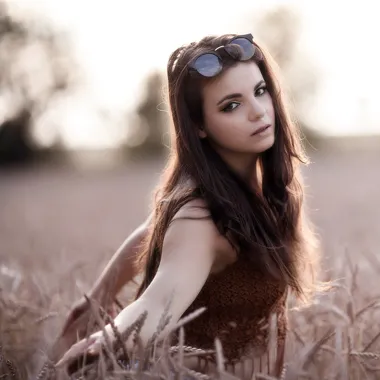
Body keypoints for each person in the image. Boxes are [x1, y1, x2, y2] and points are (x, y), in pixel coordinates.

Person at [53, 33, 324, 378]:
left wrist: (100, 294)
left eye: (260, 91)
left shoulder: (258, 196)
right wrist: (109, 338)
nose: (258, 111)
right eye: (231, 105)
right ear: (199, 127)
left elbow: (155, 228)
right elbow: (157, 303)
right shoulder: (200, 219)